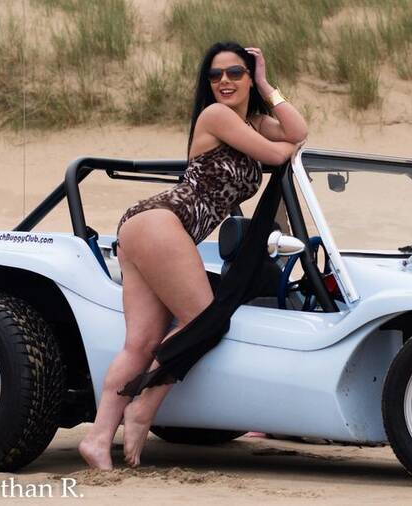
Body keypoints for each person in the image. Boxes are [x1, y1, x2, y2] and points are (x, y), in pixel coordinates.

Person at [78, 41, 308, 469]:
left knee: (142, 342)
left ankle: (97, 438)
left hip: (155, 229)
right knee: (204, 320)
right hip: (163, 220)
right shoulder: (216, 116)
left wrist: (266, 83)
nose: (224, 81)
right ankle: (144, 407)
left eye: (236, 73)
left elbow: (299, 132)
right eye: (216, 75)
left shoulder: (254, 120)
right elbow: (281, 152)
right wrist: (280, 139)